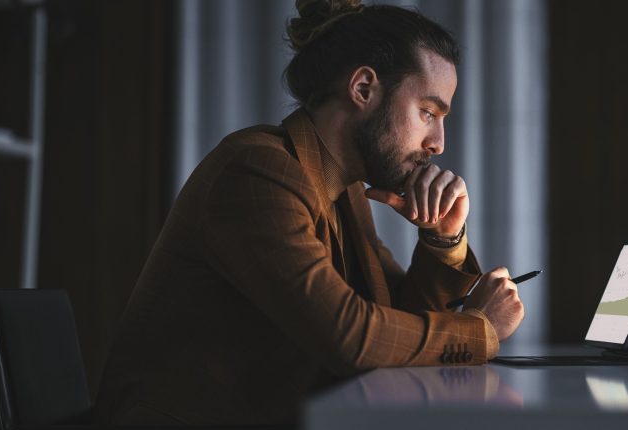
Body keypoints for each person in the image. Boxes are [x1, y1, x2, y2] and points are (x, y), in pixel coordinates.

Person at [94, 0, 524, 425]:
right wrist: (479, 328)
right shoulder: (256, 171)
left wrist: (442, 240)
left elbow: (397, 321)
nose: (438, 143)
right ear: (363, 89)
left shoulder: (344, 191)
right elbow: (351, 336)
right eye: (427, 113)